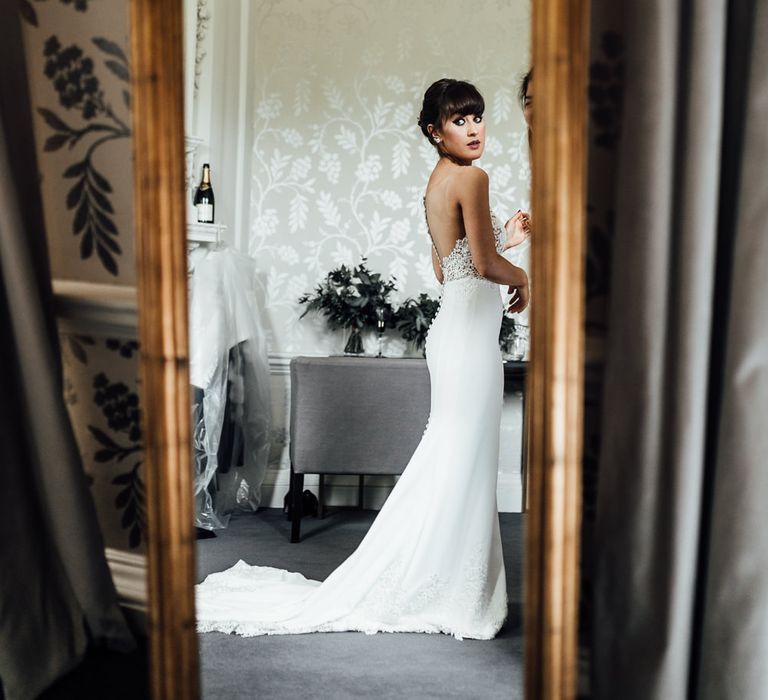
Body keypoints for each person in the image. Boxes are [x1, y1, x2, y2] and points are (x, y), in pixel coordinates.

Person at [195, 78, 530, 641]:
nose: (473, 129)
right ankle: (444, 587)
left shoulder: (437, 183)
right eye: (459, 120)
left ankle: (442, 579)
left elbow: (449, 268)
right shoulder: (472, 178)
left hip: (455, 332)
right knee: (458, 457)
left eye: (477, 118)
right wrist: (520, 273)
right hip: (469, 342)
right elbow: (482, 264)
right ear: (434, 130)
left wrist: (503, 242)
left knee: (456, 456)